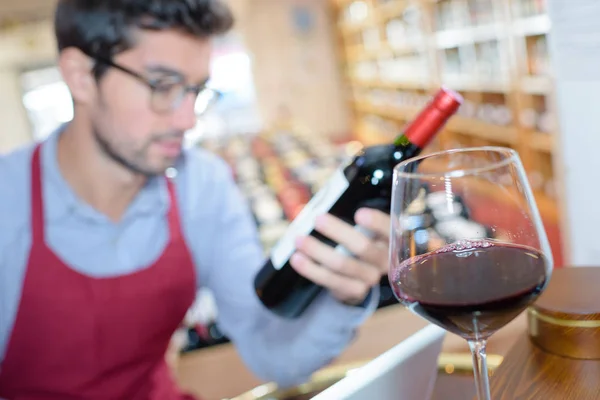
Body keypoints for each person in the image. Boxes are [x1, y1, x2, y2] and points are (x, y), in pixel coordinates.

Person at [0, 0, 392, 399]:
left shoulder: (201, 183)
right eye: (162, 86)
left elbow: (273, 355)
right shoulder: (7, 199)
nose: (187, 120)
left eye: (195, 90)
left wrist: (344, 296)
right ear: (80, 75)